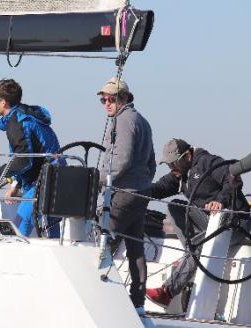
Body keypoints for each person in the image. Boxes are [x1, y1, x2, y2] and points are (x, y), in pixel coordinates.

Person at [146, 138, 250, 307]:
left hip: (236, 225)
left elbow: (233, 179)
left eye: (174, 164)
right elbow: (158, 189)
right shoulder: (180, 174)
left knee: (199, 244)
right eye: (169, 165)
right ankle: (191, 252)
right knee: (175, 207)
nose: (172, 168)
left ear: (187, 156)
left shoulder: (207, 162)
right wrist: (131, 191)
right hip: (212, 224)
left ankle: (168, 292)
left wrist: (220, 201)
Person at [0, 79, 62, 237]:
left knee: (20, 231)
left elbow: (24, 160)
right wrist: (16, 184)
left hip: (41, 182)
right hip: (55, 180)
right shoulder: (28, 117)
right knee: (53, 233)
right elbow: (32, 156)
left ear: (3, 102)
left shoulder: (16, 123)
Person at [98, 77, 156, 314]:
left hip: (124, 192)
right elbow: (151, 164)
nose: (106, 104)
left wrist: (98, 180)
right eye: (103, 100)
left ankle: (100, 296)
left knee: (102, 241)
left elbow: (121, 160)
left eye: (111, 99)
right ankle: (138, 301)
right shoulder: (141, 120)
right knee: (135, 248)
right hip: (141, 193)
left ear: (123, 99)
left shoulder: (122, 121)